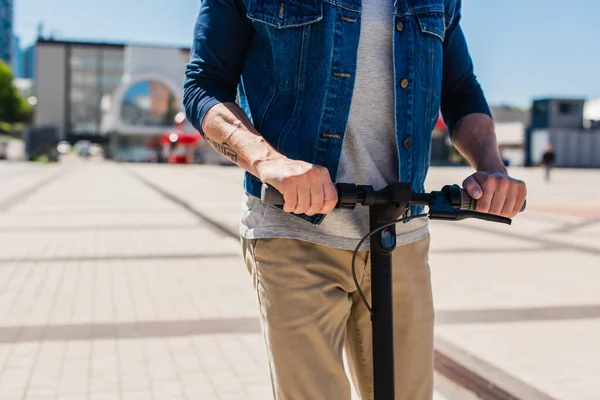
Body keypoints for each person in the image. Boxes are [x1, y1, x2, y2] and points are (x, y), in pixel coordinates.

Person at [183, 1, 527, 399]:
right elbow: (204, 85)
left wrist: (492, 165)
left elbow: (460, 89)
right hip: (295, 232)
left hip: (401, 235)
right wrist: (267, 161)